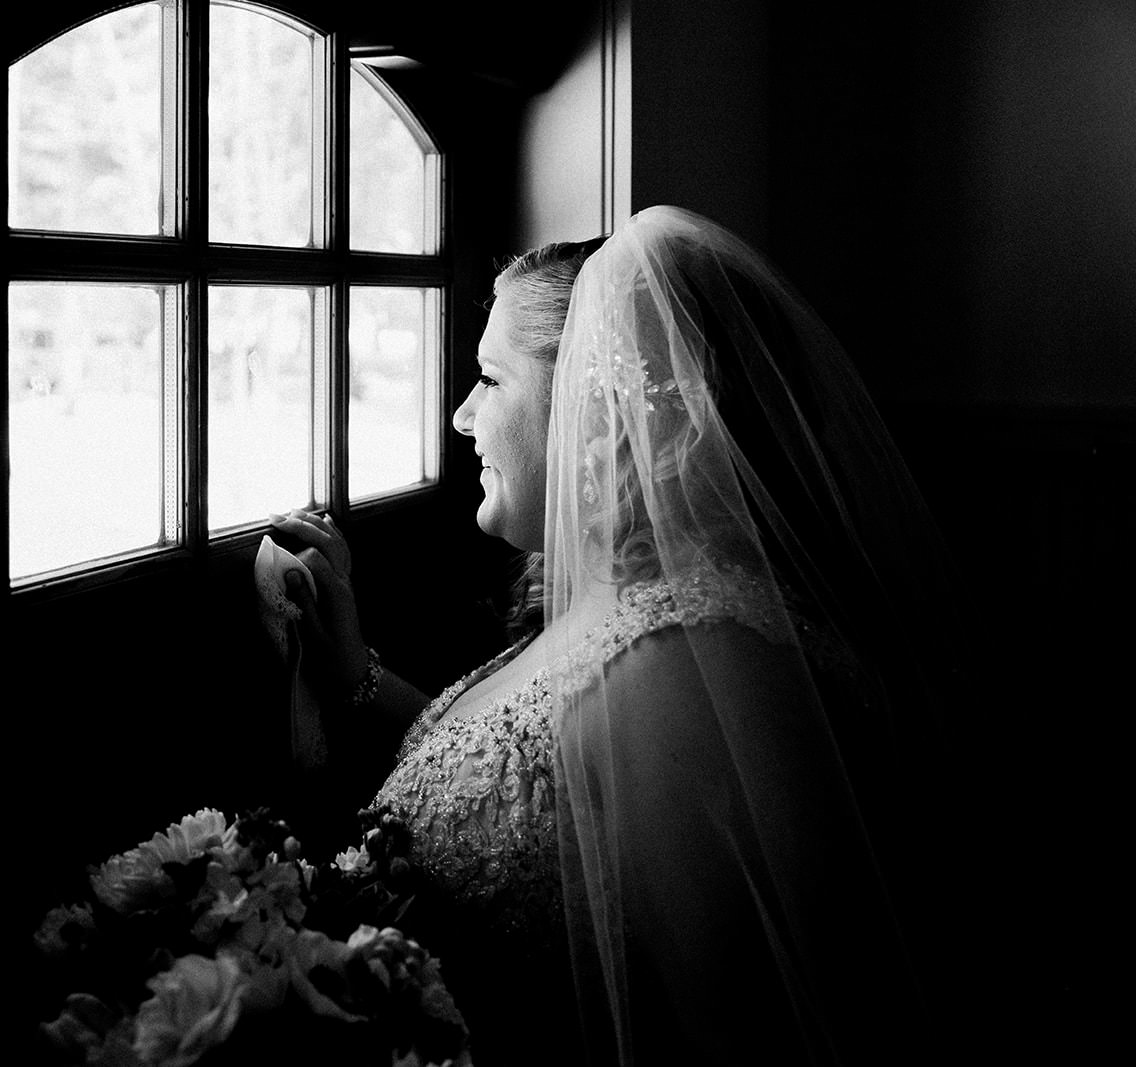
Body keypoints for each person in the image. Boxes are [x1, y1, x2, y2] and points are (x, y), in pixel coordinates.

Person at [269, 205, 958, 1065]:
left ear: (597, 407)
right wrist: (352, 670)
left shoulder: (693, 669)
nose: (459, 416)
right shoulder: (628, 603)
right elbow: (536, 781)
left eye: (489, 379)